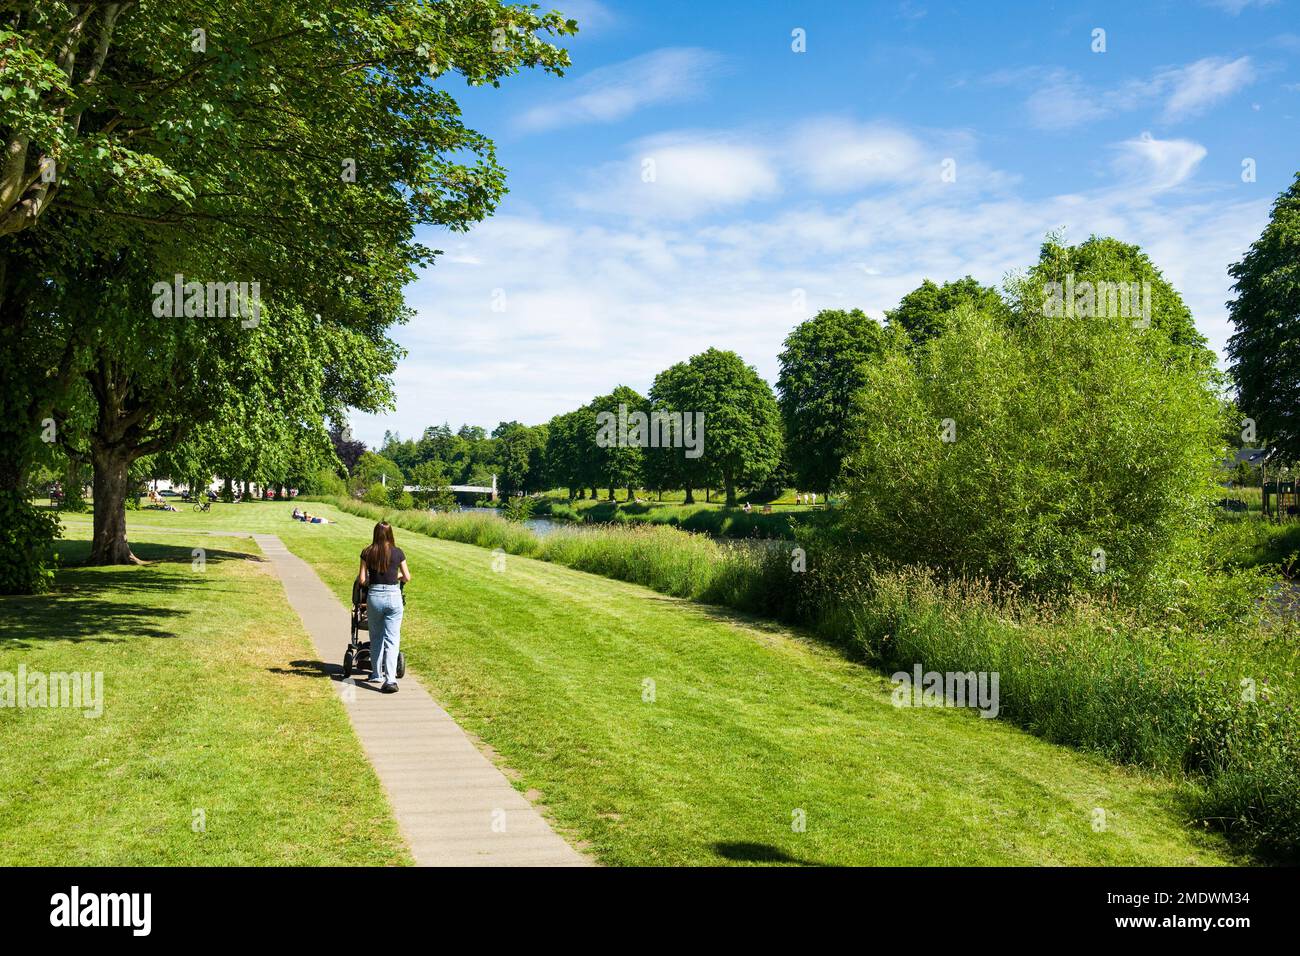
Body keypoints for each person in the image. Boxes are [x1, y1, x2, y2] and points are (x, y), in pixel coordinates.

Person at [357, 521, 410, 693]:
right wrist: (396, 575)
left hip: (375, 597)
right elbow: (407, 577)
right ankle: (391, 679)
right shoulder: (398, 552)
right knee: (392, 638)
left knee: (376, 636)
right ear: (390, 534)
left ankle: (376, 674)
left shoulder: (367, 552)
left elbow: (362, 580)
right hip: (394, 596)